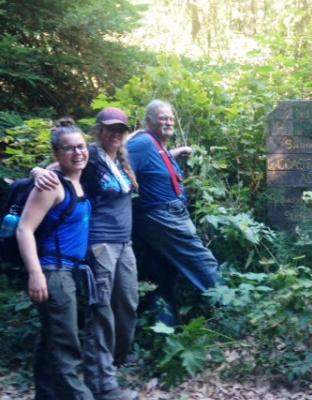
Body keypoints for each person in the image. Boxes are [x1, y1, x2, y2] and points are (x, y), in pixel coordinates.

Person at [33, 108, 139, 400]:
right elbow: (53, 168)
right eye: (109, 128)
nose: (115, 134)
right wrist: (37, 171)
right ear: (99, 130)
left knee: (127, 307)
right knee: (102, 313)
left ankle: (110, 367)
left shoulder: (120, 158)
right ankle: (102, 384)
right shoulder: (87, 155)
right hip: (100, 244)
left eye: (120, 129)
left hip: (125, 244)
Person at [17, 125, 94, 400]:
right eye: (69, 148)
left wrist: (38, 168)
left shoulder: (75, 178)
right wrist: (35, 273)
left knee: (51, 339)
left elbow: (121, 144)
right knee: (66, 347)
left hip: (70, 272)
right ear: (57, 153)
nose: (78, 152)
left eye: (81, 146)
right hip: (53, 272)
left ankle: (45, 396)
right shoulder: (51, 186)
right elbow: (24, 229)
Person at [127, 99, 220, 326]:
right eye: (162, 118)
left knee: (164, 274)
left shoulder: (157, 146)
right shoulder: (143, 144)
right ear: (148, 121)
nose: (168, 122)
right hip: (161, 216)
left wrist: (175, 153)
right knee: (201, 260)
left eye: (170, 118)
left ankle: (164, 329)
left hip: (167, 215)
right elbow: (117, 164)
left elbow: (155, 164)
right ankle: (231, 308)